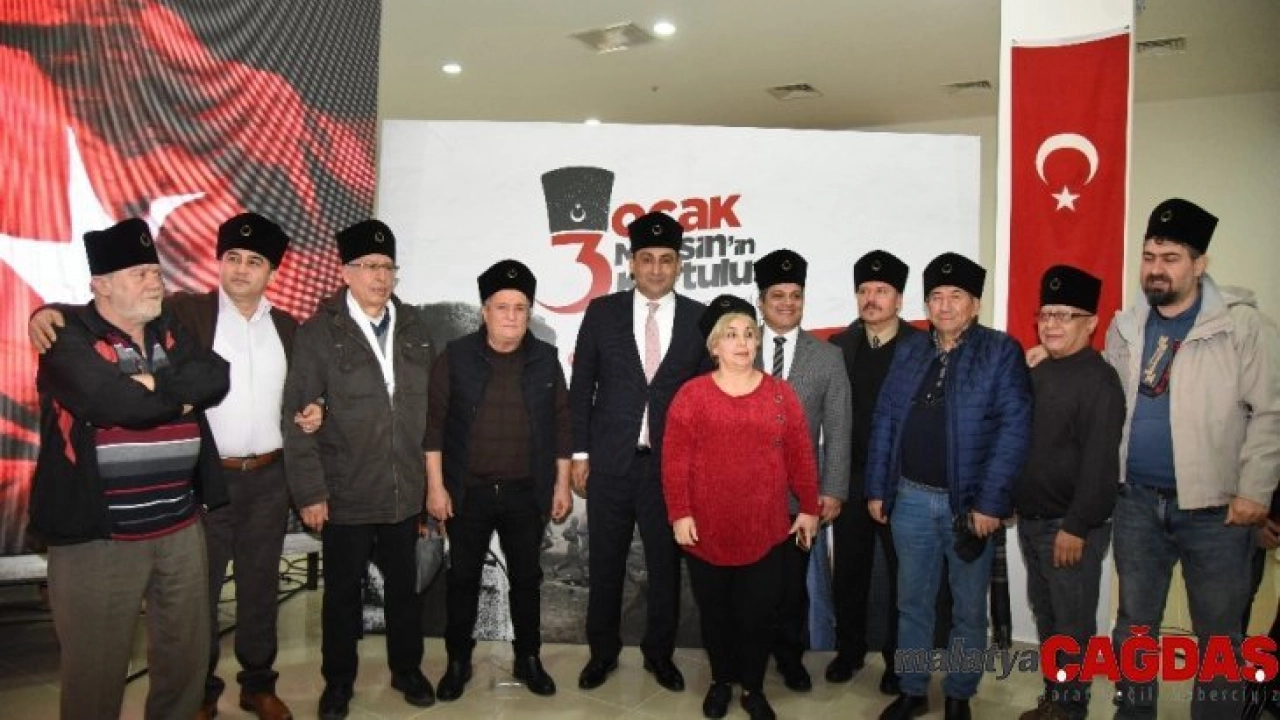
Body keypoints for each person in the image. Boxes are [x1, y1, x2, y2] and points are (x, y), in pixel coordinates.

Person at [28, 213, 318, 720]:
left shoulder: (282, 327)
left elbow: (214, 378)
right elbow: (113, 395)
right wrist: (45, 313)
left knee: (240, 602)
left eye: (254, 262)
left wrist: (318, 408)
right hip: (176, 499)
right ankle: (204, 694)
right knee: (126, 651)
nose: (241, 269)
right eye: (232, 258)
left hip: (247, 487)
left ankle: (256, 685)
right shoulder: (185, 312)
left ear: (273, 271)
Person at [30, 217, 231, 720]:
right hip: (101, 539)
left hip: (180, 527)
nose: (153, 282)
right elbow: (115, 403)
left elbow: (215, 376)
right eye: (139, 273)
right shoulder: (66, 337)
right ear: (100, 284)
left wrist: (154, 386)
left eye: (155, 272)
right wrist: (175, 396)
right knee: (95, 673)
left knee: (184, 662)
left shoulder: (169, 331)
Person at [1105, 199, 1279, 719]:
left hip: (1217, 511)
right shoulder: (1126, 326)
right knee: (1134, 628)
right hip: (1136, 503)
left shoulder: (1243, 326)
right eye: (1149, 256)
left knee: (1219, 638)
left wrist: (1256, 491)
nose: (1156, 268)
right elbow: (1108, 398)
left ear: (1200, 264)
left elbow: (1271, 412)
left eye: (1171, 258)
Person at [866, 252, 1032, 720]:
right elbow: (885, 420)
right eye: (936, 296)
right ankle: (913, 689)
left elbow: (1014, 431)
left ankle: (959, 692)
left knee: (967, 609)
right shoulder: (909, 351)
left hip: (969, 508)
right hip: (910, 499)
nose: (944, 305)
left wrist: (991, 503)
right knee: (912, 604)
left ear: (975, 304)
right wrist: (878, 488)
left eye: (956, 296)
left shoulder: (1000, 351)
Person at [282, 219, 437, 719]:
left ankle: (407, 669)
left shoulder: (415, 328)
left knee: (405, 590)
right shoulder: (318, 333)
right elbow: (298, 416)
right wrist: (310, 492)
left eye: (388, 267)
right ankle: (338, 681)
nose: (380, 276)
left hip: (403, 489)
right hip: (345, 490)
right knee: (342, 595)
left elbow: (431, 412)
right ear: (345, 272)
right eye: (369, 266)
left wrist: (431, 485)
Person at [663, 294, 820, 720]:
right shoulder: (691, 395)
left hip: (765, 528)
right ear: (714, 346)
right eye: (731, 334)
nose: (742, 341)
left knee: (757, 615)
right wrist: (680, 513)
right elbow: (674, 461)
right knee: (715, 614)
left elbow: (801, 456)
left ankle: (752, 688)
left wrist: (809, 507)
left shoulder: (780, 395)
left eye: (749, 334)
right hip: (705, 528)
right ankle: (720, 682)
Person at [569, 211, 707, 692]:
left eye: (666, 260)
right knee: (605, 563)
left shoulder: (698, 318)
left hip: (670, 469)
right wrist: (580, 454)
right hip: (610, 464)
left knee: (665, 568)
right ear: (632, 263)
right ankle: (602, 653)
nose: (656, 269)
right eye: (646, 259)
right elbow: (582, 385)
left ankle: (659, 655)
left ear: (679, 265)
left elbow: (706, 397)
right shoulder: (602, 312)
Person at [425, 259, 573, 701]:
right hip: (467, 492)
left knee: (527, 580)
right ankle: (458, 661)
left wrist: (561, 484)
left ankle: (529, 658)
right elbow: (434, 428)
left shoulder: (545, 359)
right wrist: (435, 487)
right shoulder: (455, 356)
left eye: (520, 307)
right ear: (485, 311)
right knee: (462, 581)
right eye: (502, 307)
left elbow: (562, 426)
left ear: (528, 313)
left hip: (526, 492)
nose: (511, 316)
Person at [1015, 265, 1124, 720]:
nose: (1052, 324)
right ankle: (1055, 698)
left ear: (1091, 322)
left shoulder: (1100, 380)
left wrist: (1076, 527)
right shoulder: (1039, 369)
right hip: (1033, 522)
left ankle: (1070, 708)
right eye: (1046, 315)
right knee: (1048, 620)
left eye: (1064, 315)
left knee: (1072, 626)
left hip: (1070, 528)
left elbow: (1100, 464)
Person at [752, 249, 851, 692]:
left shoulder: (827, 357)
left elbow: (839, 428)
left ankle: (790, 659)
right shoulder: (738, 345)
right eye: (778, 295)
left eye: (795, 295)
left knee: (792, 586)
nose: (787, 303)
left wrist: (833, 489)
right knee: (750, 584)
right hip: (744, 493)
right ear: (761, 300)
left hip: (799, 494)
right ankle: (748, 659)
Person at [828, 250, 919, 693]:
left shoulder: (921, 347)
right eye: (864, 290)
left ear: (899, 299)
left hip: (902, 481)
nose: (871, 298)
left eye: (881, 291)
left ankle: (897, 660)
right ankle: (849, 651)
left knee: (904, 576)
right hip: (851, 477)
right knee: (849, 571)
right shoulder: (840, 346)